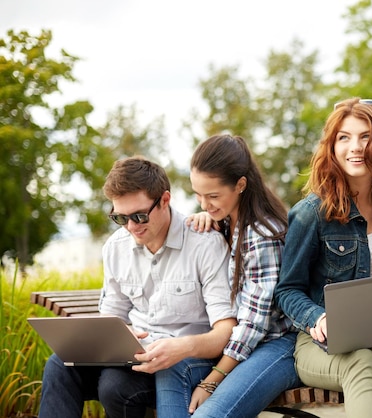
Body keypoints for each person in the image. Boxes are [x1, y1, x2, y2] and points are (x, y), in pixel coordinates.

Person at [38, 156, 237, 418]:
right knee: (59, 364)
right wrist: (120, 333)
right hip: (134, 358)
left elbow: (227, 329)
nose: (131, 227)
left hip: (185, 362)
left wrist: (183, 347)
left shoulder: (205, 244)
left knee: (115, 387)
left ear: (165, 200)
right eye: (120, 217)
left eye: (139, 216)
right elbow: (112, 316)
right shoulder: (115, 247)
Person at [274, 98, 372, 418]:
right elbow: (287, 290)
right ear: (331, 148)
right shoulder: (311, 214)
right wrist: (319, 318)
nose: (355, 147)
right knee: (363, 362)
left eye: (365, 137)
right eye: (343, 138)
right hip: (321, 344)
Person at [174, 135, 300, 417]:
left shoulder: (262, 235)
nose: (204, 204)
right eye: (198, 194)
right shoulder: (229, 222)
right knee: (172, 370)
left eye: (213, 195)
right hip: (248, 345)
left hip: (278, 345)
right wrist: (211, 215)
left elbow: (254, 326)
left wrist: (211, 382)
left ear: (241, 185)